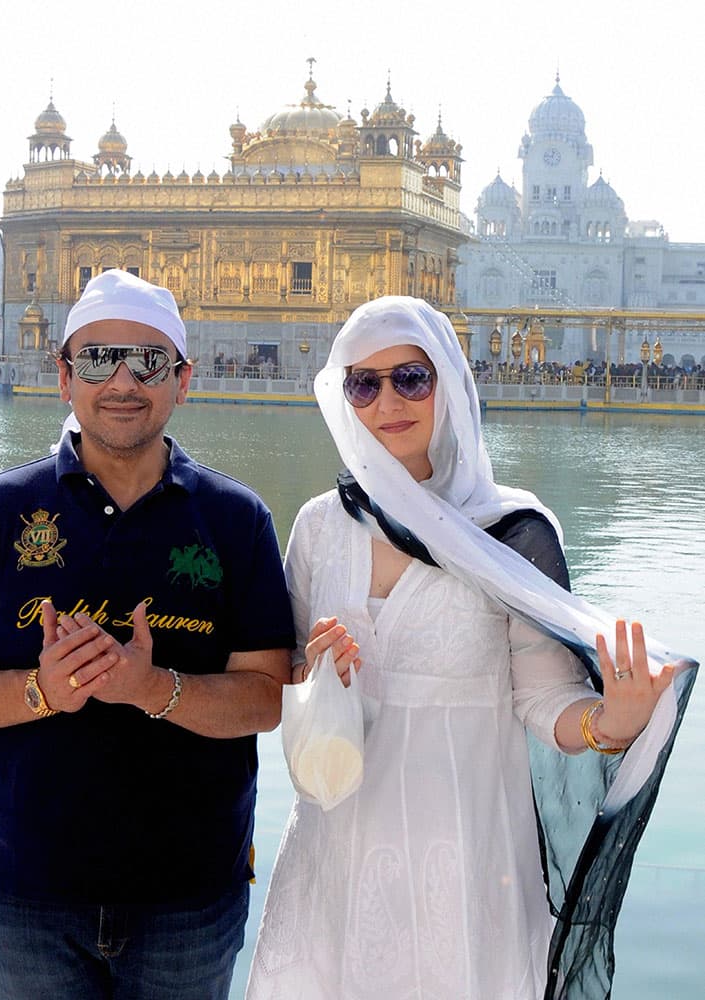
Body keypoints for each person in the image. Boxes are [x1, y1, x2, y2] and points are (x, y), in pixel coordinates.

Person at [247, 296, 697, 1000]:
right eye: (363, 383)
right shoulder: (318, 525)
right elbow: (287, 676)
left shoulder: (507, 529)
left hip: (461, 846)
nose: (386, 401)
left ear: (449, 383)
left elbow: (542, 697)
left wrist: (613, 723)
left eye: (410, 378)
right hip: (335, 836)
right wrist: (315, 668)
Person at [0, 269, 295, 1000]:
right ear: (63, 377)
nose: (122, 381)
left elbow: (265, 699)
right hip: (23, 890)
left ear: (183, 380)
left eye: (148, 361)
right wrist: (42, 689)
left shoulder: (236, 520)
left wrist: (151, 688)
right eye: (97, 359)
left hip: (188, 894)